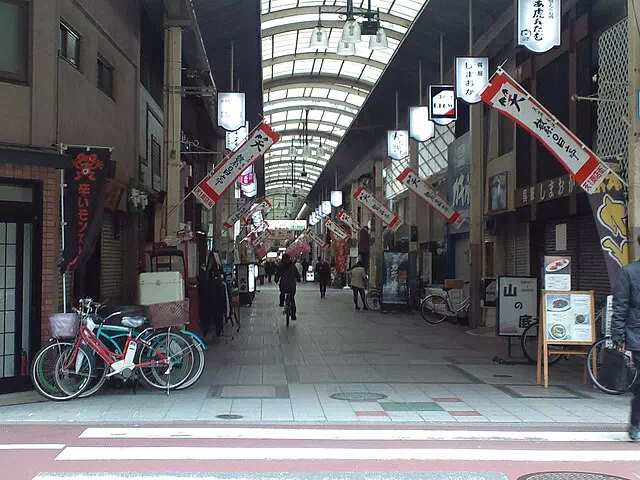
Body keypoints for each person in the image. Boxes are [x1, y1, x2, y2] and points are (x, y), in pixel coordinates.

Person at [611, 239, 640, 440]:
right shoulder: (629, 272)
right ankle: (636, 422)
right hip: (637, 335)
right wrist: (617, 334)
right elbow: (620, 305)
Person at [275, 254, 301, 320]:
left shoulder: (280, 266)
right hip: (292, 285)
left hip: (283, 284)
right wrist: (298, 279)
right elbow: (296, 274)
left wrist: (276, 280)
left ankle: (281, 303)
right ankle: (293, 315)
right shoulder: (293, 266)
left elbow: (277, 274)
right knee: (292, 299)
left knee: (282, 293)